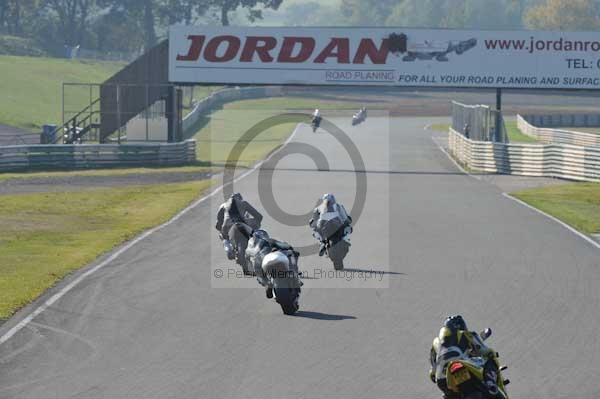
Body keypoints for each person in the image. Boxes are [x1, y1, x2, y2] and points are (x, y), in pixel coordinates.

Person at [429, 315, 500, 398]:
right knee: (490, 358)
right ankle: (490, 383)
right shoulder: (465, 334)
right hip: (464, 365)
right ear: (460, 325)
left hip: (442, 379)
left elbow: (432, 373)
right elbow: (484, 350)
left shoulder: (435, 343)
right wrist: (489, 353)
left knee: (448, 396)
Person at [245, 229, 301, 298]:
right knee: (292, 254)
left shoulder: (249, 249)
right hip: (272, 259)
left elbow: (247, 261)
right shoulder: (268, 240)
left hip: (259, 264)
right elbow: (286, 246)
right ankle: (294, 273)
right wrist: (289, 248)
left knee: (261, 278)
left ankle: (268, 285)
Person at [215, 193, 263, 260]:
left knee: (223, 236)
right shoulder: (243, 203)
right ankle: (258, 246)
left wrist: (222, 231)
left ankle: (228, 248)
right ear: (240, 198)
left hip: (227, 227)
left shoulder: (223, 206)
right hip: (242, 225)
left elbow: (217, 225)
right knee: (256, 232)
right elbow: (259, 216)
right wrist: (256, 224)